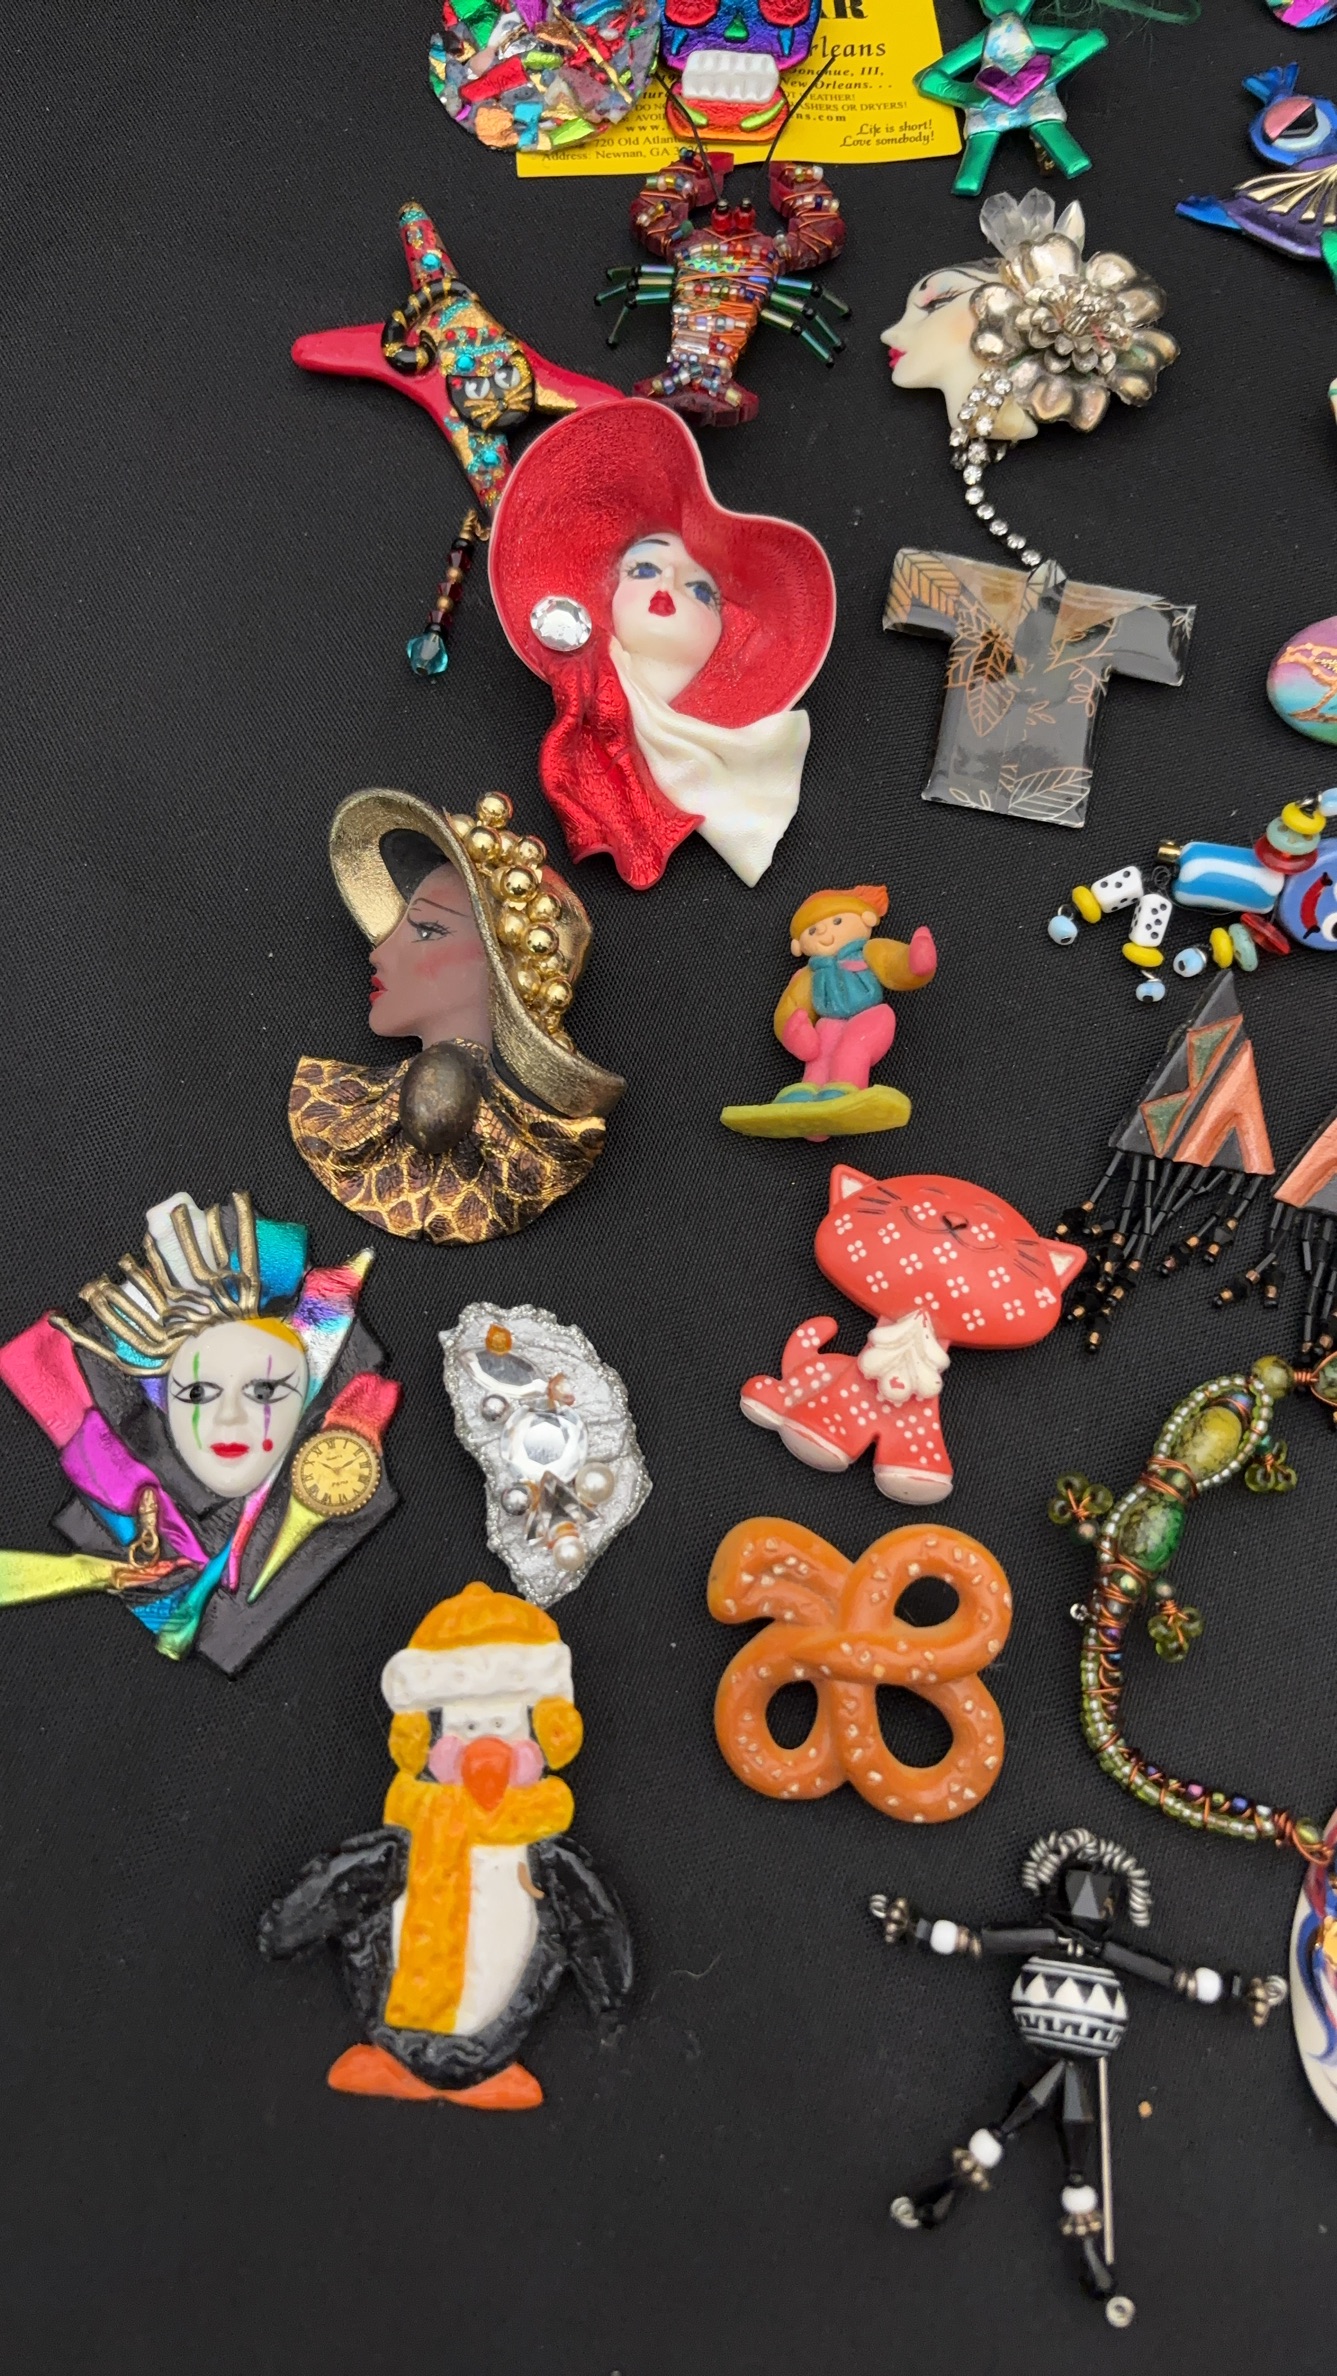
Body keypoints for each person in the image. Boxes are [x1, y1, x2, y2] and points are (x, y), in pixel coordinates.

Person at [488, 397, 835, 890]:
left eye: (700, 589)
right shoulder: (587, 683)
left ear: (728, 633)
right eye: (645, 568)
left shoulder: (748, 750)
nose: (666, 585)